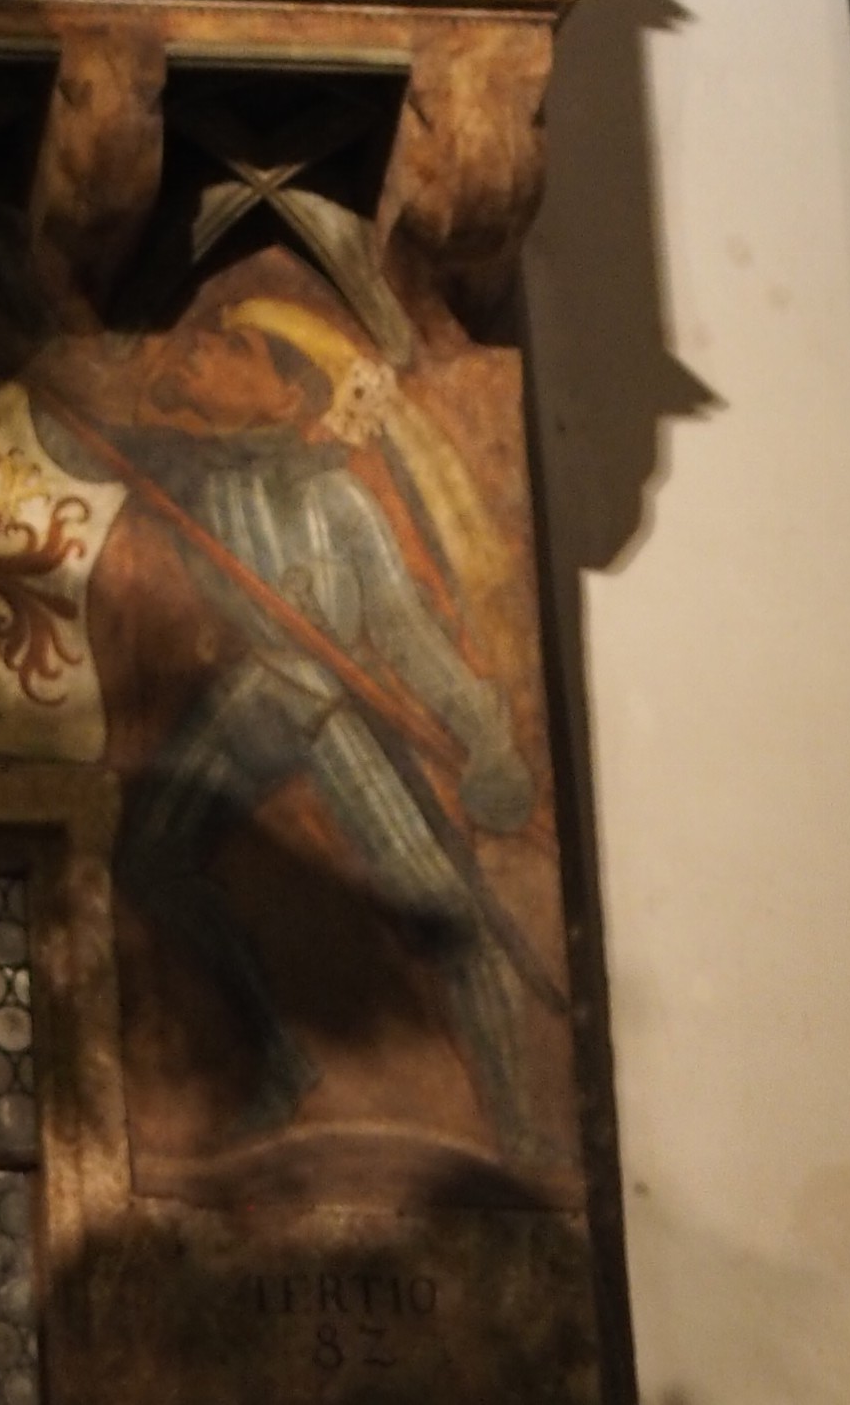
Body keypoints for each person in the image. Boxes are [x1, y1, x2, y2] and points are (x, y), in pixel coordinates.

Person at [110, 313, 549, 1167]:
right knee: (147, 857)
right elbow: (78, 437)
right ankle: (280, 1058)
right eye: (211, 337)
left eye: (235, 347)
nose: (205, 347)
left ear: (287, 394)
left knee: (449, 912)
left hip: (330, 705)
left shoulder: (335, 498)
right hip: (255, 695)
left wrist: (486, 740)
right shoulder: (188, 473)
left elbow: (403, 630)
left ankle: (521, 1132)